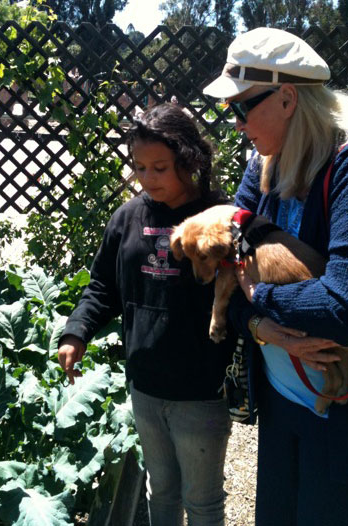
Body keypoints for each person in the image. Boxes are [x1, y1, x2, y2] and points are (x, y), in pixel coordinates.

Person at [203, 27, 348, 526]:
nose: (236, 125)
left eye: (241, 108)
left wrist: (259, 295)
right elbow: (229, 261)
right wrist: (261, 328)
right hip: (284, 408)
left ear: (288, 98)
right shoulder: (263, 164)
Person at [57, 103, 235, 526]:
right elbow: (103, 285)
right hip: (145, 384)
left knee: (203, 500)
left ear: (188, 161)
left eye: (160, 167)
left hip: (200, 389)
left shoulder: (220, 217)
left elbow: (245, 290)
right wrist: (76, 331)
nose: (148, 179)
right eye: (140, 167)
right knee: (161, 491)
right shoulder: (128, 217)